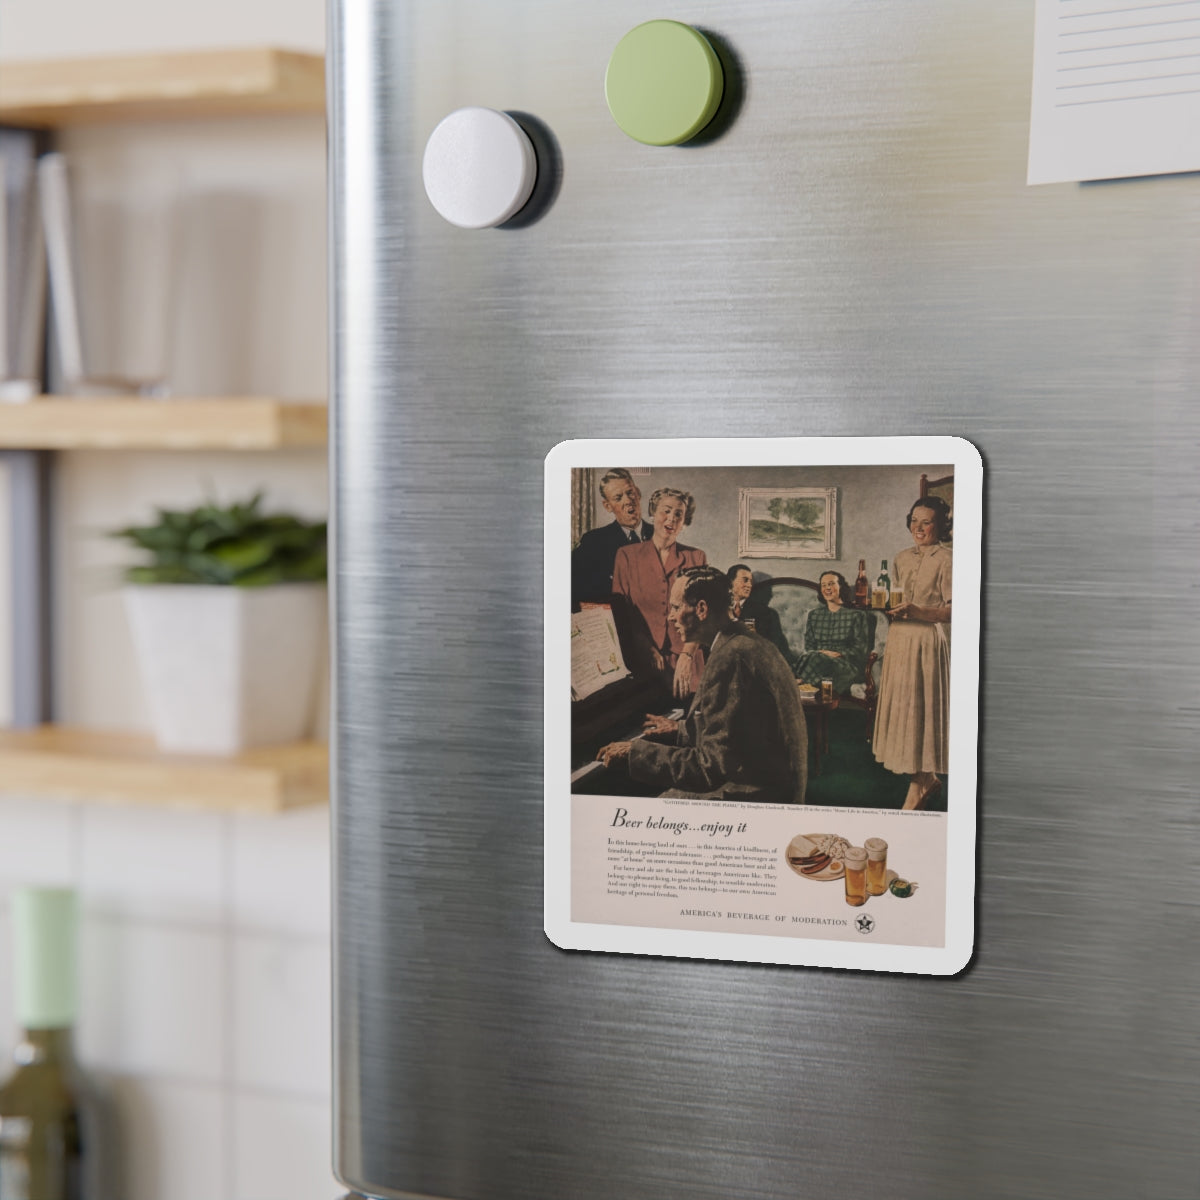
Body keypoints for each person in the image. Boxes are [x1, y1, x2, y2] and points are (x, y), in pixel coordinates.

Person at [599, 566, 808, 805]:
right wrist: (681, 730)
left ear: (701, 609)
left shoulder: (732, 657)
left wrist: (635, 752)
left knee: (644, 811)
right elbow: (738, 730)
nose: (670, 616)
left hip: (755, 795)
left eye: (676, 608)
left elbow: (709, 769)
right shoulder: (742, 640)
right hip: (770, 783)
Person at [872, 495, 953, 810]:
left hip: (926, 641)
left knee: (924, 710)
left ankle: (921, 783)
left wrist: (919, 611)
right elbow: (895, 598)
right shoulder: (901, 557)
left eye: (927, 521)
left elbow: (954, 610)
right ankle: (924, 778)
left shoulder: (948, 559)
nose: (918, 528)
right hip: (900, 640)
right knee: (907, 711)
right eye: (914, 521)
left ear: (940, 525)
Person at [611, 487, 707, 698]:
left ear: (684, 521)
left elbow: (702, 615)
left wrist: (687, 655)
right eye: (666, 510)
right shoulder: (627, 556)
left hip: (686, 661)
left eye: (679, 514)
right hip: (642, 660)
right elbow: (622, 613)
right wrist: (647, 648)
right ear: (653, 512)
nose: (671, 519)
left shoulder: (696, 558)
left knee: (686, 724)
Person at [571, 469, 653, 608]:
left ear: (638, 493)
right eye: (618, 497)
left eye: (630, 493)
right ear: (608, 506)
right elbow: (569, 590)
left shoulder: (661, 535)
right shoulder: (593, 542)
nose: (628, 501)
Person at [790, 570, 871, 696]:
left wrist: (836, 654)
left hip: (845, 666)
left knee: (811, 660)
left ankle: (798, 685)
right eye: (823, 585)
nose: (827, 588)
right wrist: (822, 653)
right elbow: (809, 646)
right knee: (807, 658)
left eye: (831, 584)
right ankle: (805, 687)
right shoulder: (814, 615)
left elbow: (860, 650)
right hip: (816, 662)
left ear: (841, 587)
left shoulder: (857, 615)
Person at [726, 563, 791, 661]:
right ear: (731, 582)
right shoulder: (719, 609)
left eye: (751, 582)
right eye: (745, 580)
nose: (749, 585)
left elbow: (774, 649)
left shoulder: (768, 614)